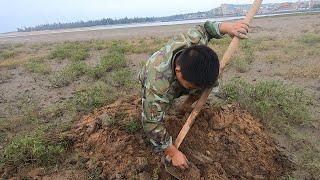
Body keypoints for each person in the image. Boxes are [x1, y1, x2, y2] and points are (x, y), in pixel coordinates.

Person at [139, 20, 249, 169]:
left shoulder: (195, 40)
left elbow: (206, 28)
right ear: (178, 72)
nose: (196, 89)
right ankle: (175, 100)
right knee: (155, 112)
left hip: (184, 74)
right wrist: (172, 152)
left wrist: (229, 27)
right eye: (191, 86)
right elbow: (151, 125)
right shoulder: (157, 87)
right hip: (153, 74)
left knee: (209, 85)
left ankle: (184, 106)